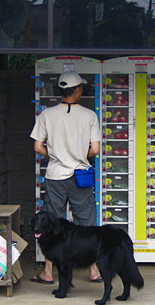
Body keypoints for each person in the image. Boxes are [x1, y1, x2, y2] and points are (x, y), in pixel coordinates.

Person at [30, 71, 102, 284]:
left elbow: (37, 146)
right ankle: (94, 270)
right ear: (78, 89)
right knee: (86, 223)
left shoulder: (46, 114)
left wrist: (53, 155)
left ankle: (48, 272)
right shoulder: (90, 116)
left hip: (55, 176)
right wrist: (80, 155)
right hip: (81, 176)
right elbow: (95, 149)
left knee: (50, 223)